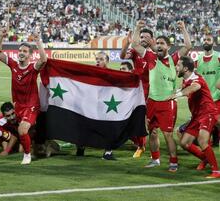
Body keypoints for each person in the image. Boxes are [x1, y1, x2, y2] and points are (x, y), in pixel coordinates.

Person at [131, 20, 192, 172]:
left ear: (168, 47)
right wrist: (137, 28)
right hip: (152, 101)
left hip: (167, 103)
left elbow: (188, 46)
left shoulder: (174, 59)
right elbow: (135, 45)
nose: (158, 45)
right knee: (152, 132)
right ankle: (155, 159)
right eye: (157, 43)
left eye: (162, 43)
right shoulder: (150, 58)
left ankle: (173, 161)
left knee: (168, 134)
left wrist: (183, 29)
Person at [0, 27, 47, 164]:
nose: (21, 53)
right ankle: (33, 145)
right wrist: (1, 36)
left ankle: (27, 155)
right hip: (18, 105)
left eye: (25, 51)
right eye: (20, 51)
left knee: (22, 129)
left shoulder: (33, 69)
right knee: (12, 127)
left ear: (30, 55)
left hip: (31, 106)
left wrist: (37, 41)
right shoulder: (13, 65)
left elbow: (44, 59)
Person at [168, 56, 220, 178]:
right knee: (184, 142)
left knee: (202, 140)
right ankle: (206, 158)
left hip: (208, 113)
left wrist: (178, 94)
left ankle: (216, 171)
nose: (176, 68)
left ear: (185, 68)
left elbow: (194, 87)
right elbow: (186, 87)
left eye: (178, 65)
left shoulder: (196, 79)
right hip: (197, 116)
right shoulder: (185, 80)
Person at [76, 51, 117, 160]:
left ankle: (108, 152)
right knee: (85, 127)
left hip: (106, 106)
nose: (98, 61)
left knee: (107, 128)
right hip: (91, 104)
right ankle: (81, 147)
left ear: (107, 61)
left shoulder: (112, 74)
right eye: (97, 59)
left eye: (101, 59)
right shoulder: (91, 72)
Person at [121, 30, 151, 158]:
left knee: (148, 120)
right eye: (141, 36)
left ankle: (152, 149)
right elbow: (122, 57)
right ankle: (140, 145)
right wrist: (126, 44)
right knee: (135, 116)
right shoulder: (134, 52)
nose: (142, 39)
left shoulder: (154, 54)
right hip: (136, 89)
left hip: (151, 90)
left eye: (146, 37)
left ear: (151, 39)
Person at [195, 34, 220, 147]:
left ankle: (216, 140)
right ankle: (213, 141)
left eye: (208, 40)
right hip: (204, 98)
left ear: (213, 43)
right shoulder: (199, 59)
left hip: (217, 96)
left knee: (217, 120)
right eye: (204, 39)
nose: (206, 41)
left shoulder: (218, 57)